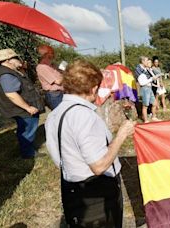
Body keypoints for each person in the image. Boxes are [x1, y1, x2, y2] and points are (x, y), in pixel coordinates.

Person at [45, 60, 135, 227]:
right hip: (96, 192)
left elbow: (59, 156)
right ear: (94, 88)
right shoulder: (83, 116)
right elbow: (99, 166)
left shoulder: (54, 114)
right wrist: (121, 135)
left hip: (71, 186)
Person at [0, 48, 44, 159]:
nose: (18, 59)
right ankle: (28, 153)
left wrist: (23, 69)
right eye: (16, 57)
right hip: (22, 110)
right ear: (8, 60)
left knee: (27, 130)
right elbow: (11, 94)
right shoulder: (6, 74)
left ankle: (28, 149)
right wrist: (28, 108)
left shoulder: (10, 71)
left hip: (22, 109)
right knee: (27, 131)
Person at [36, 45, 64, 110]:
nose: (52, 56)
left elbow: (62, 74)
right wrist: (64, 74)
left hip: (59, 93)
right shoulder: (41, 67)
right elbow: (58, 81)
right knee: (59, 113)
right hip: (54, 95)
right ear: (44, 55)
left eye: (52, 54)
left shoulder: (52, 65)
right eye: (50, 54)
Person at [137, 59, 161, 123]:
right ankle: (146, 120)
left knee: (154, 103)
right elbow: (142, 83)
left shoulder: (146, 70)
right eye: (147, 61)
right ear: (143, 62)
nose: (148, 63)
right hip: (145, 88)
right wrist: (151, 79)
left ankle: (154, 117)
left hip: (149, 88)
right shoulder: (139, 71)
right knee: (145, 105)